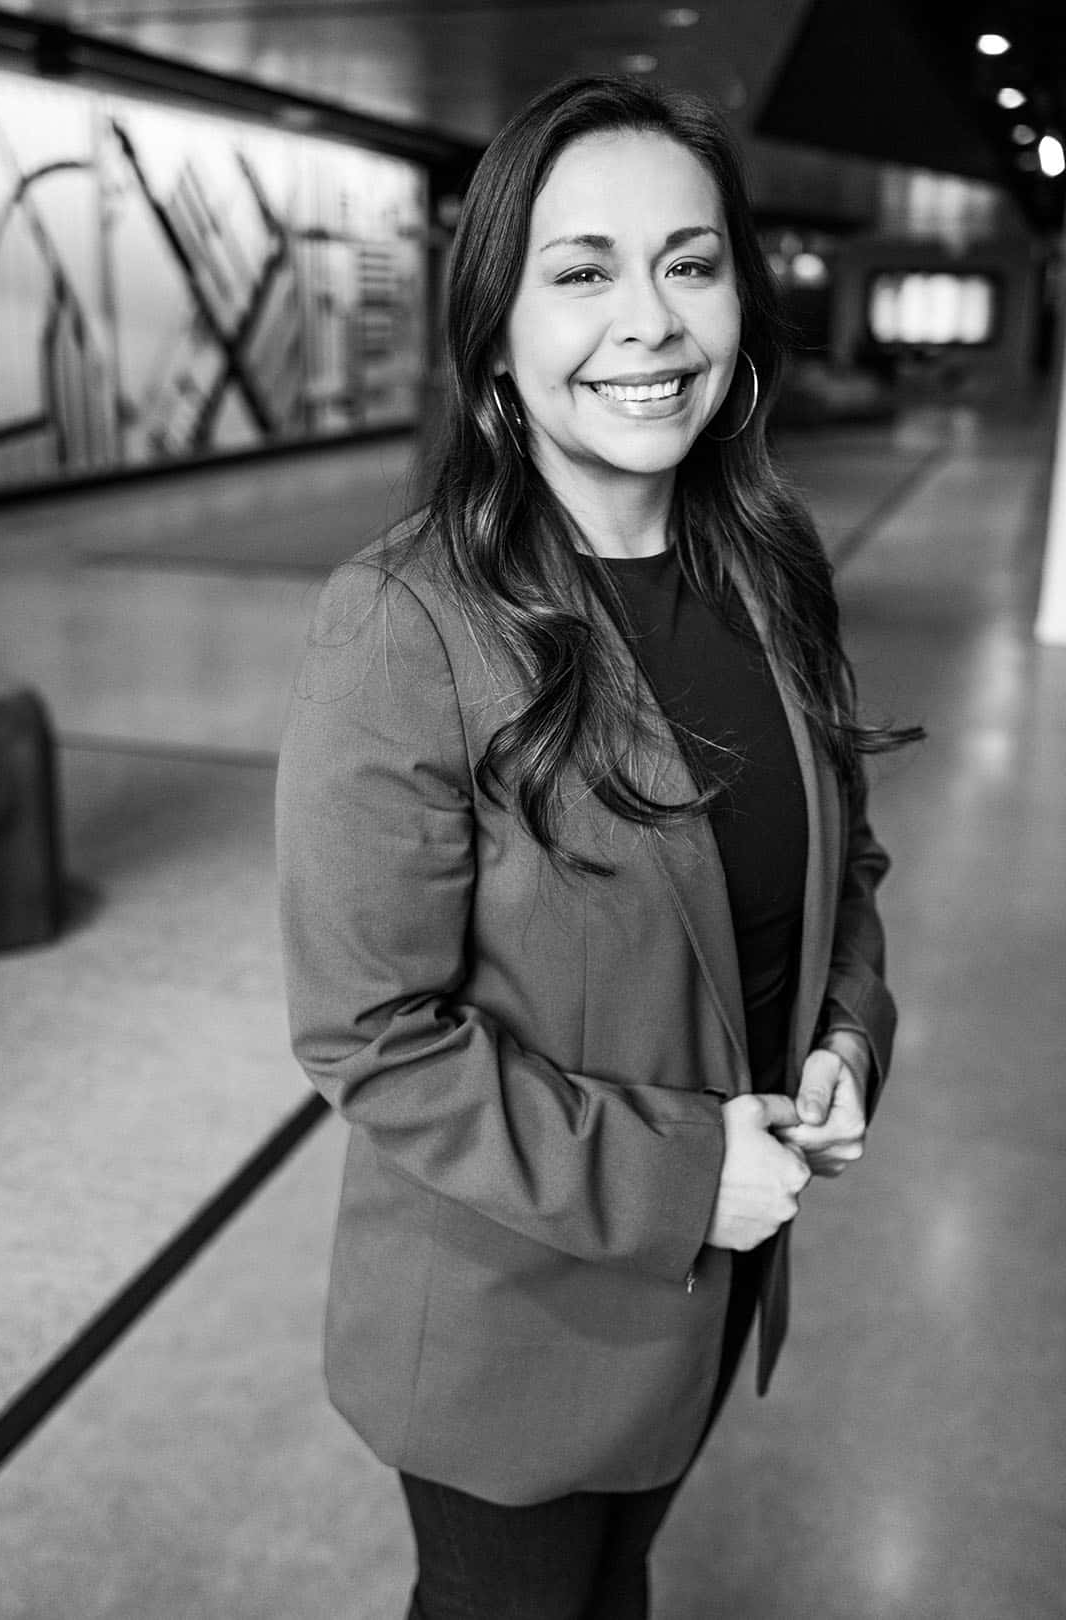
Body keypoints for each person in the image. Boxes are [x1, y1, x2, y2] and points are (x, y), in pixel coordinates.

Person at [276, 73, 919, 1620]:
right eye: (583, 272)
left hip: (710, 1292)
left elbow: (847, 873)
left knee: (616, 1586)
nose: (654, 321)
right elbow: (372, 1041)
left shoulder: (766, 564)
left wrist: (846, 1036)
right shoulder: (407, 622)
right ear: (496, 327)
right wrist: (691, 1176)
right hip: (519, 1324)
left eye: (690, 264)